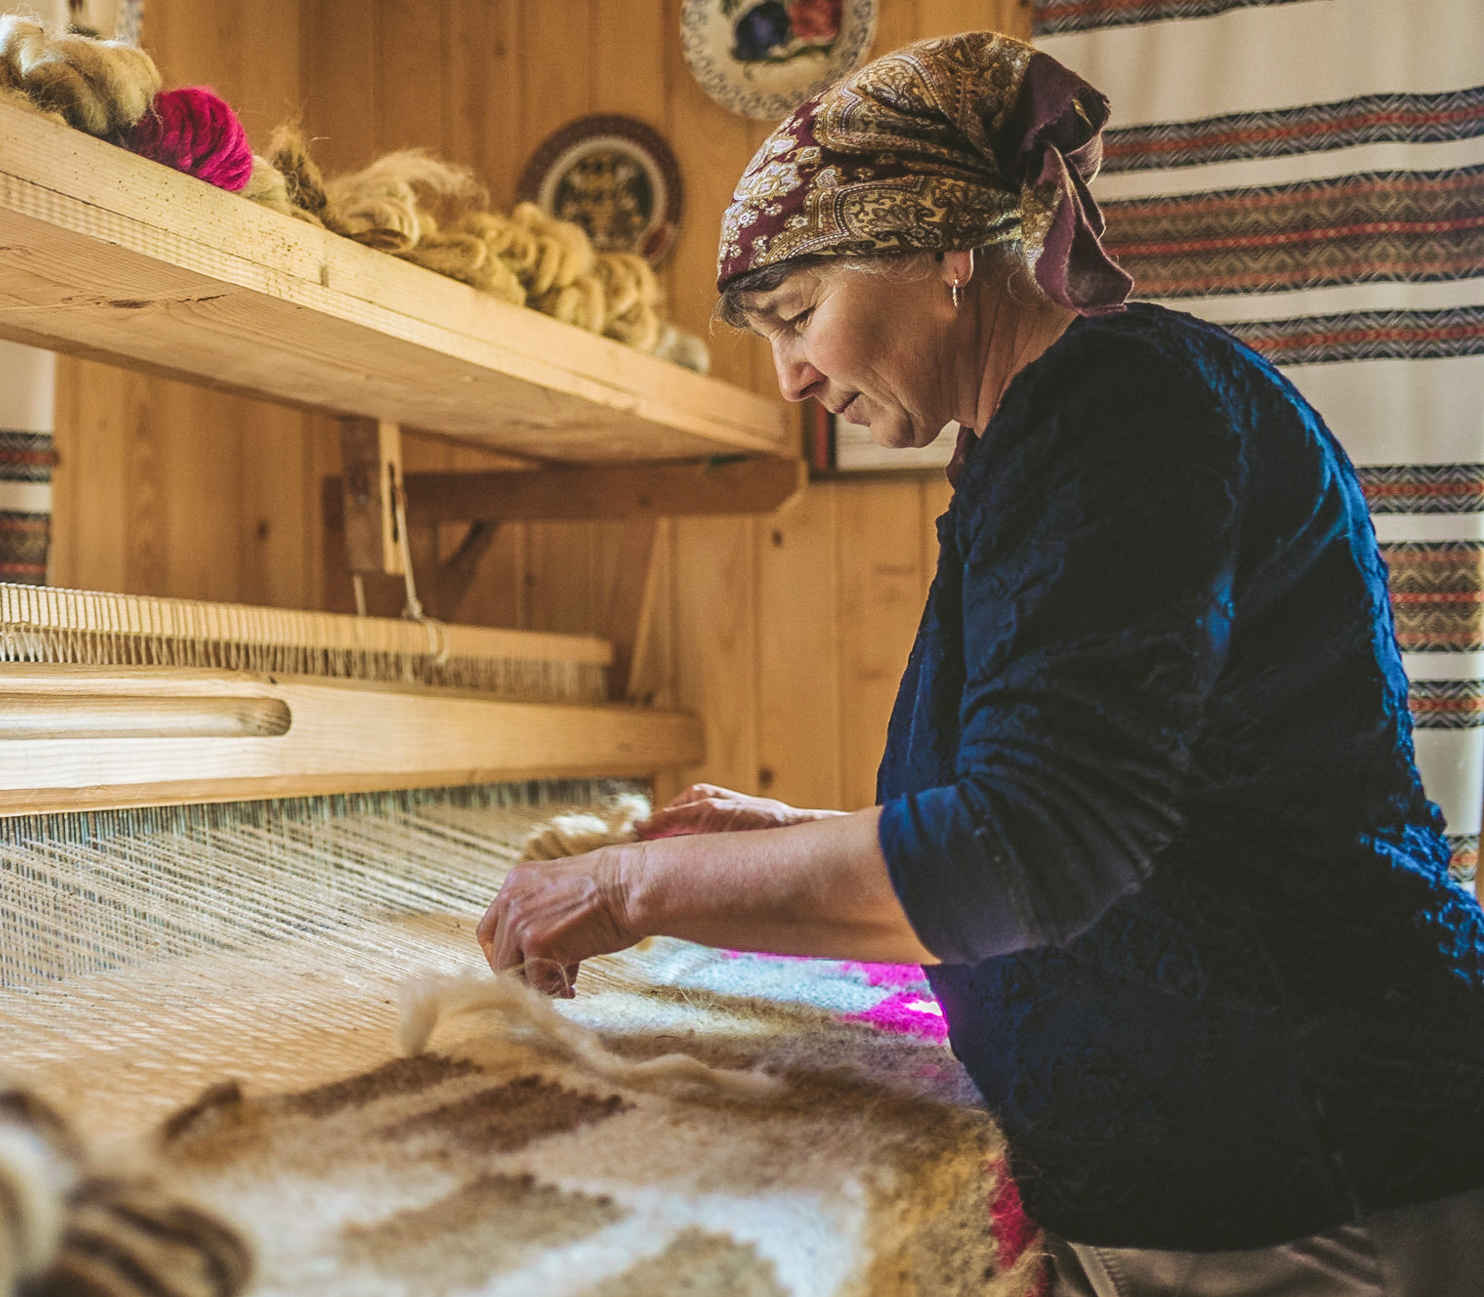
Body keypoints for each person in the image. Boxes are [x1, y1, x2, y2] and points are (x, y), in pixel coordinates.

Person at [476, 31, 1484, 1296]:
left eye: (798, 315)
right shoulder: (1048, 442)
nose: (788, 374)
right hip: (1233, 1164)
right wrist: (776, 840)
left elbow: (1027, 852)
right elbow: (1104, 824)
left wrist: (635, 889)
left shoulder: (1122, 421)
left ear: (947, 247)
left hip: (1317, 1169)